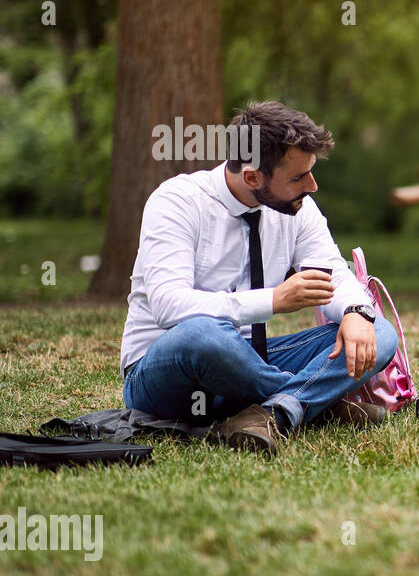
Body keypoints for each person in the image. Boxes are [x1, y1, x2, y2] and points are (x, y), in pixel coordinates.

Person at [120, 100, 398, 456]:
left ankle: (274, 412)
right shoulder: (178, 202)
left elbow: (333, 272)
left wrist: (356, 310)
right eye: (298, 177)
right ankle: (314, 403)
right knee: (205, 333)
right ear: (252, 177)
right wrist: (273, 300)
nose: (312, 185)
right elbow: (167, 305)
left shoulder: (297, 207)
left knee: (377, 330)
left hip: (251, 364)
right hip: (168, 372)